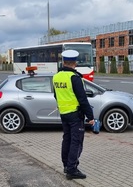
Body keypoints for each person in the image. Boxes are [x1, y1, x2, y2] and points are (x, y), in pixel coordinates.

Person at [53, 49, 95, 180]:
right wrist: (91, 117)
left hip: (63, 114)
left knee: (67, 139)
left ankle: (66, 165)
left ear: (64, 62)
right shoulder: (75, 78)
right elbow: (83, 99)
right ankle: (72, 170)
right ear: (74, 63)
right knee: (76, 142)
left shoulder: (56, 76)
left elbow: (56, 95)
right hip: (75, 115)